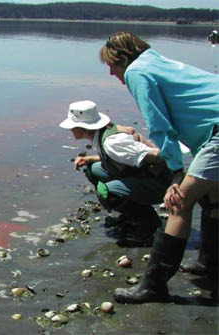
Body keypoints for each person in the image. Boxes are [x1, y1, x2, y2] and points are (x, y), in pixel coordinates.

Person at [100, 31, 219, 304]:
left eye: (112, 65)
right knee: (213, 197)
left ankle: (153, 287)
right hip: (214, 127)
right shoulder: (156, 61)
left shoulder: (137, 72)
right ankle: (210, 265)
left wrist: (177, 173)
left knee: (179, 203)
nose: (111, 72)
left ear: (123, 58)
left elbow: (159, 126)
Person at [60, 100, 172, 244]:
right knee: (93, 169)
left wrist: (174, 164)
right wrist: (89, 159)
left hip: (162, 183)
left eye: (72, 127)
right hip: (141, 175)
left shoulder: (112, 143)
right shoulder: (103, 134)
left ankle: (148, 223)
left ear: (81, 127)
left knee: (107, 193)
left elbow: (158, 155)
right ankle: (131, 213)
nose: (70, 130)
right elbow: (117, 157)